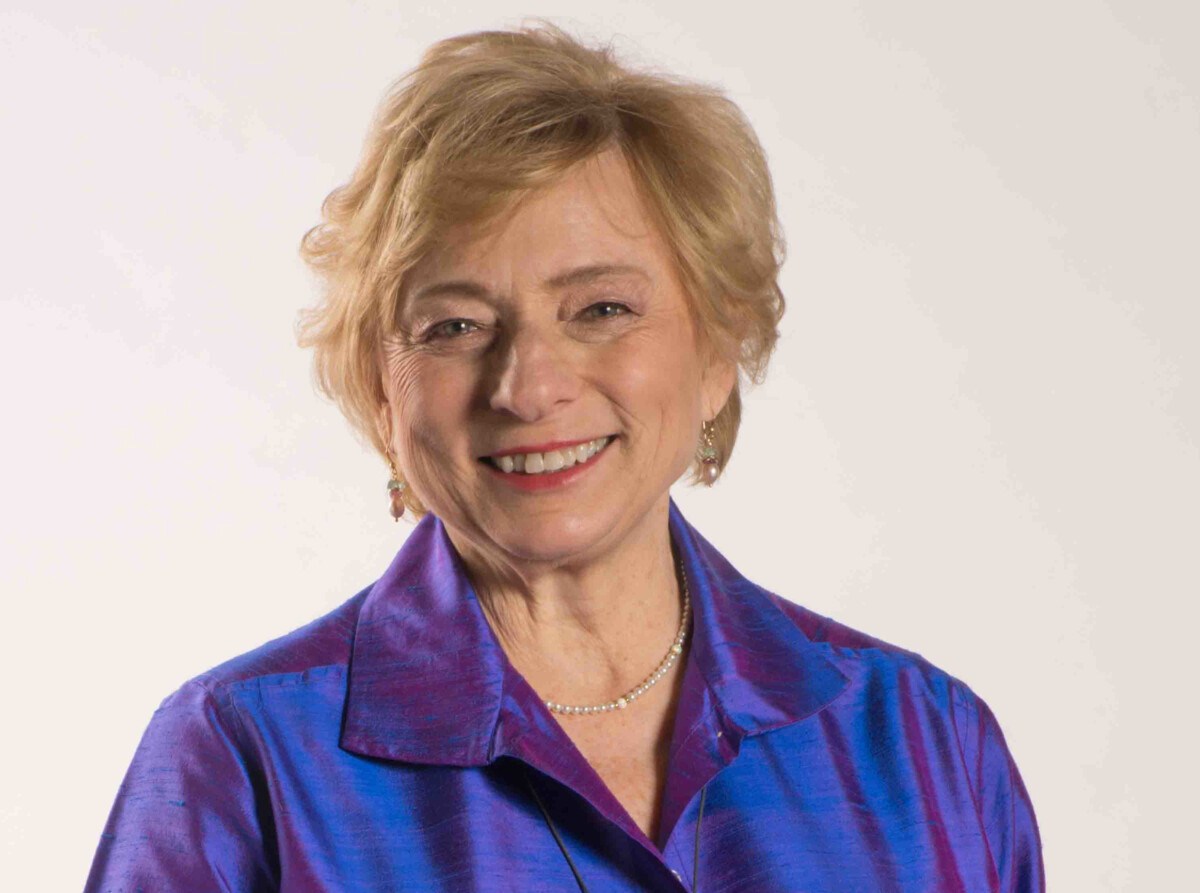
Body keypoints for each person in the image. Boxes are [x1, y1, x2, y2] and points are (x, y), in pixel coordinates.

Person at [84, 23, 1044, 892]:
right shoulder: (241, 761)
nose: (529, 386)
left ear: (717, 353)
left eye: (601, 309)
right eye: (455, 325)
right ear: (381, 390)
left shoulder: (927, 747)